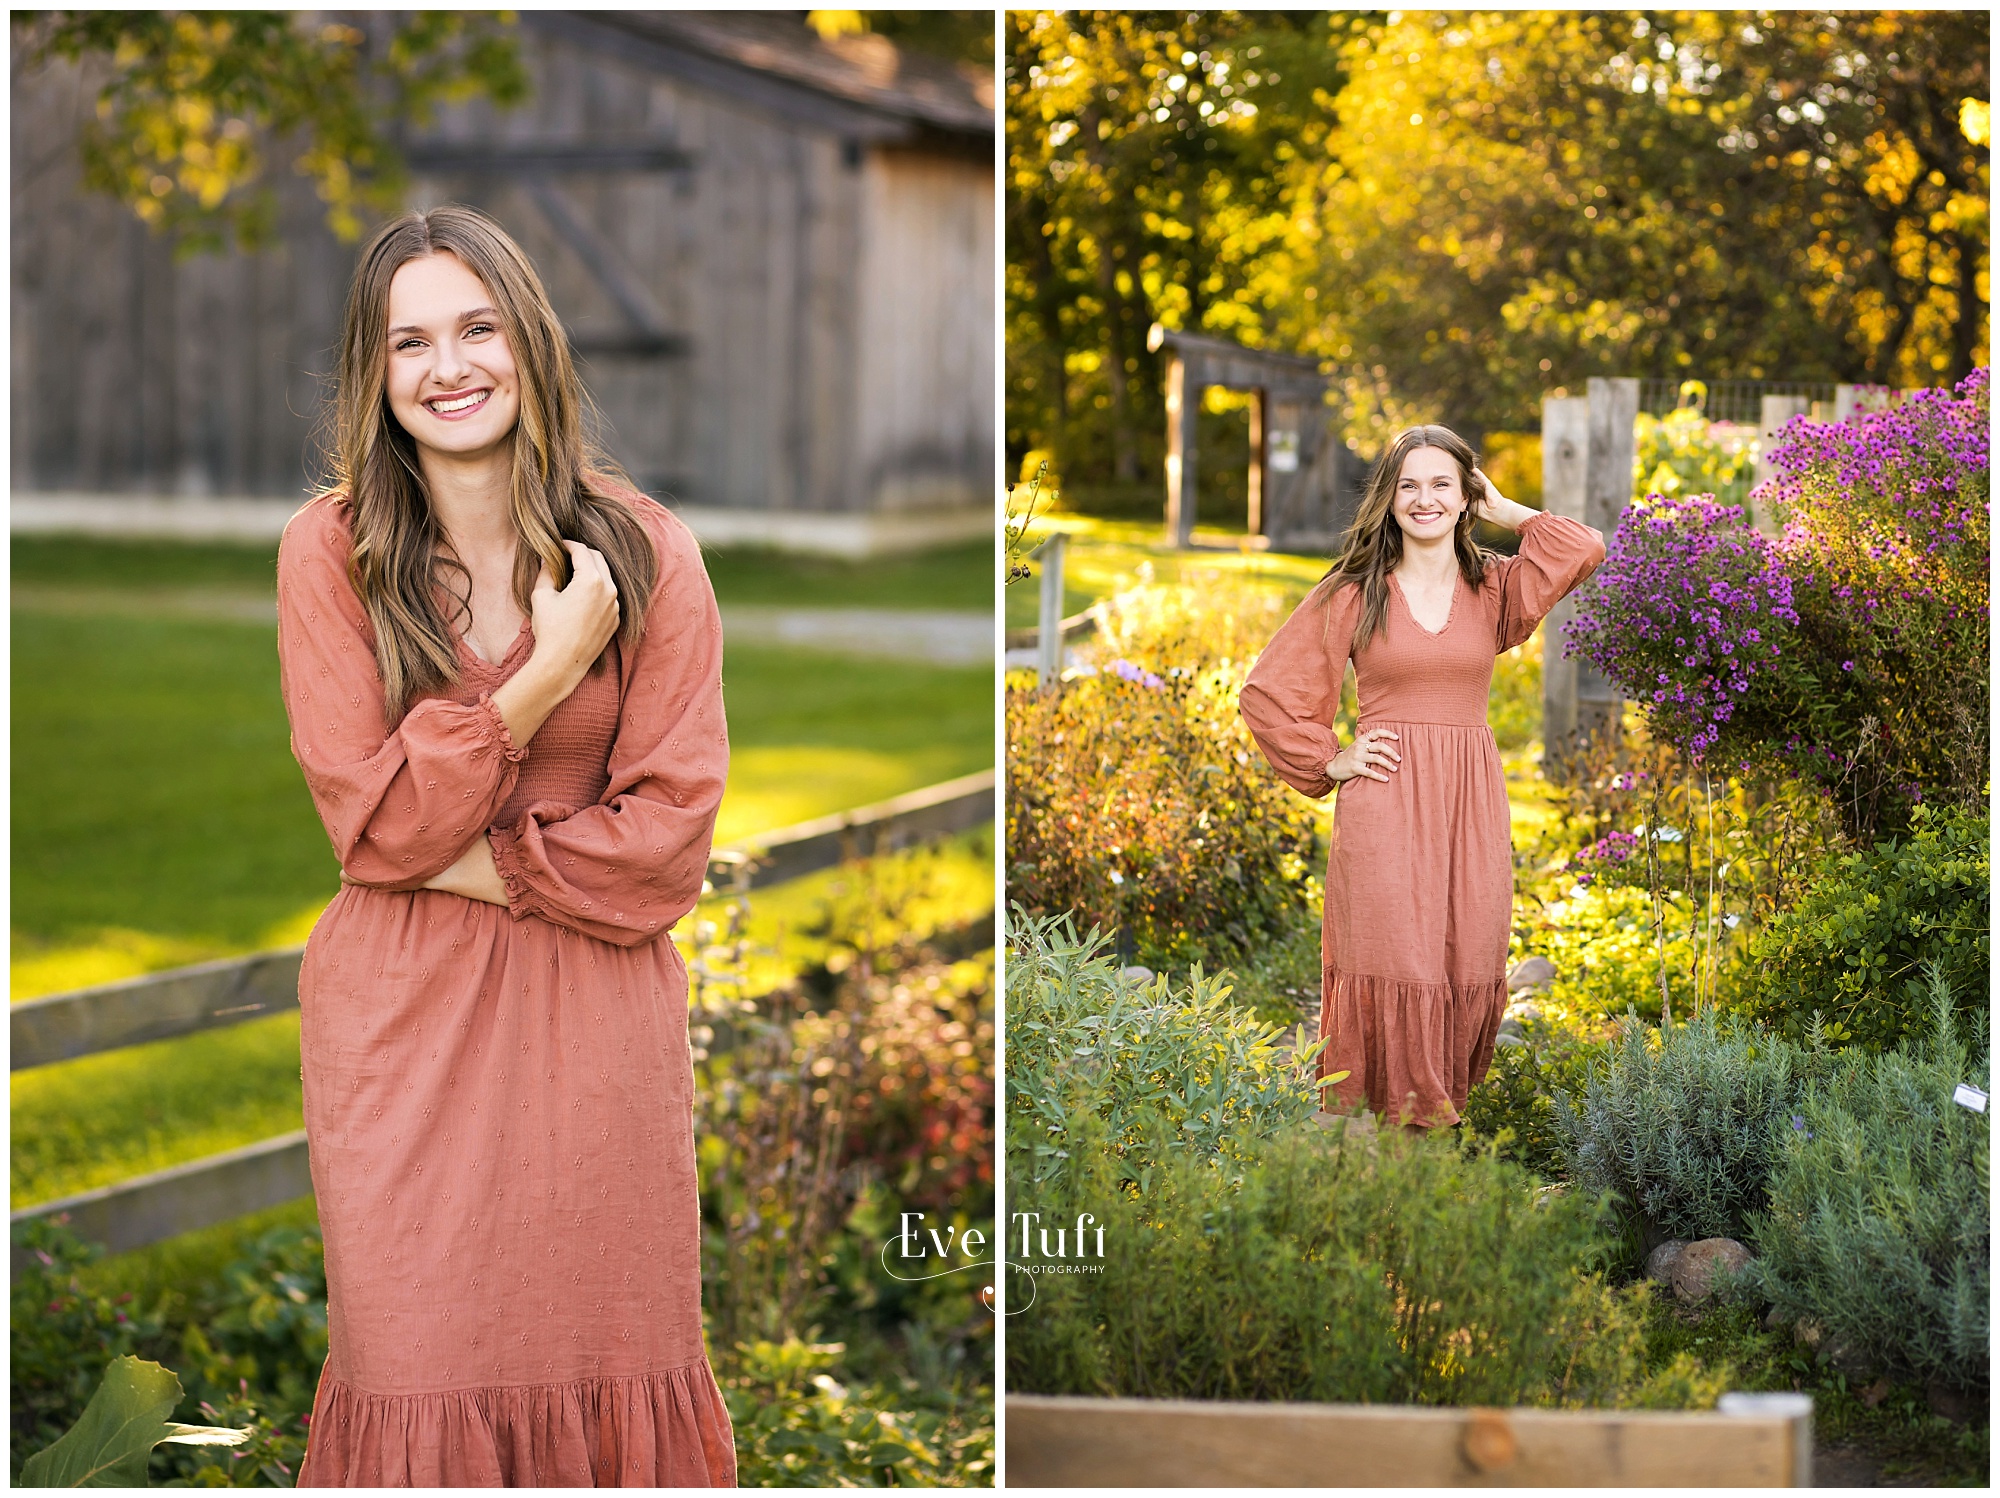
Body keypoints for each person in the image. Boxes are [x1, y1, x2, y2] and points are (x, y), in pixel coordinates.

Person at [277, 205, 737, 1485]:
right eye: (409, 341)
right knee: (412, 1367)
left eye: (476, 328)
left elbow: (666, 846)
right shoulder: (331, 555)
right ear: (375, 374)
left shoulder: (645, 551)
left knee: (602, 1355)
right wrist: (544, 675)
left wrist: (444, 852)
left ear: (528, 342)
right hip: (399, 1026)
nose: (448, 367)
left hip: (595, 1026)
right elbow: (368, 825)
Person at [1239, 426, 1605, 1130]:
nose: (1424, 498)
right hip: (1386, 797)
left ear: (1466, 496)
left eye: (1442, 484)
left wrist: (1507, 511)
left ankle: (1429, 1129)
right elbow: (1270, 690)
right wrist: (1330, 759)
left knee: (1466, 948)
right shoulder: (1357, 591)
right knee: (1392, 951)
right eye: (1408, 484)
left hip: (1470, 800)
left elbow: (1582, 547)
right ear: (1389, 498)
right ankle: (1377, 1127)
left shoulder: (1494, 587)